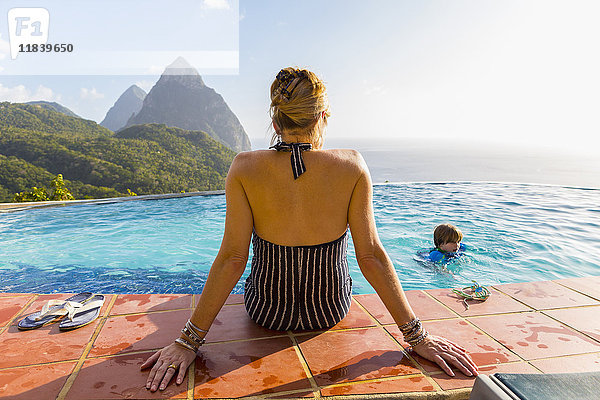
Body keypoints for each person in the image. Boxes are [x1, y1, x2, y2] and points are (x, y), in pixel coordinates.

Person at [141, 67, 479, 392]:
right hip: (329, 310)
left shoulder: (244, 168)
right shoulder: (352, 165)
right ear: (322, 118)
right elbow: (371, 256)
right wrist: (417, 337)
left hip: (267, 311)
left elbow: (232, 259)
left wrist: (188, 342)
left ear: (275, 121)